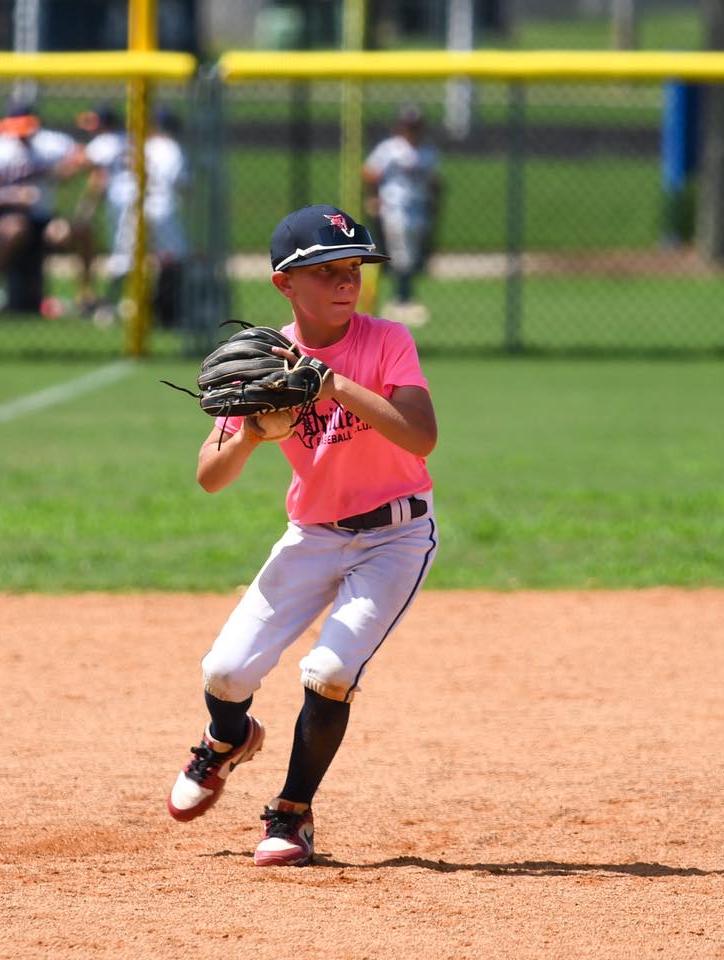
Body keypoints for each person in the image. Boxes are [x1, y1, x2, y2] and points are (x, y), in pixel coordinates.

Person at [165, 203, 440, 866]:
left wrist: (333, 384)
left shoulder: (386, 341)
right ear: (285, 284)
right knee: (226, 672)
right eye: (325, 272)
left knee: (330, 670)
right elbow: (209, 476)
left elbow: (421, 436)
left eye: (353, 269)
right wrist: (254, 434)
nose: (346, 282)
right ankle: (227, 741)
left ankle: (291, 814)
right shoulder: (263, 359)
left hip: (394, 537)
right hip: (312, 533)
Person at [74, 103, 189, 328]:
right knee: (173, 259)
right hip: (162, 206)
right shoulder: (169, 147)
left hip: (132, 207)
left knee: (124, 260)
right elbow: (181, 182)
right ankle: (167, 313)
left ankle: (107, 308)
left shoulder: (134, 144)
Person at [0, 102, 83, 315]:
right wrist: (11, 196)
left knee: (75, 232)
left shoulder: (51, 143)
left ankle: (84, 296)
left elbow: (81, 157)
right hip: (9, 215)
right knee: (14, 229)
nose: (21, 136)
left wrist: (61, 172)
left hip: (44, 217)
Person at [362, 104, 442, 327]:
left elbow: (434, 181)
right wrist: (373, 196)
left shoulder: (427, 152)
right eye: (408, 126)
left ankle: (403, 299)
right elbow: (369, 172)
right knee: (400, 255)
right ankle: (401, 299)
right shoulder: (389, 149)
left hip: (419, 209)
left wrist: (435, 202)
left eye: (415, 126)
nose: (411, 131)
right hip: (394, 208)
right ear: (400, 127)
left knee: (413, 256)